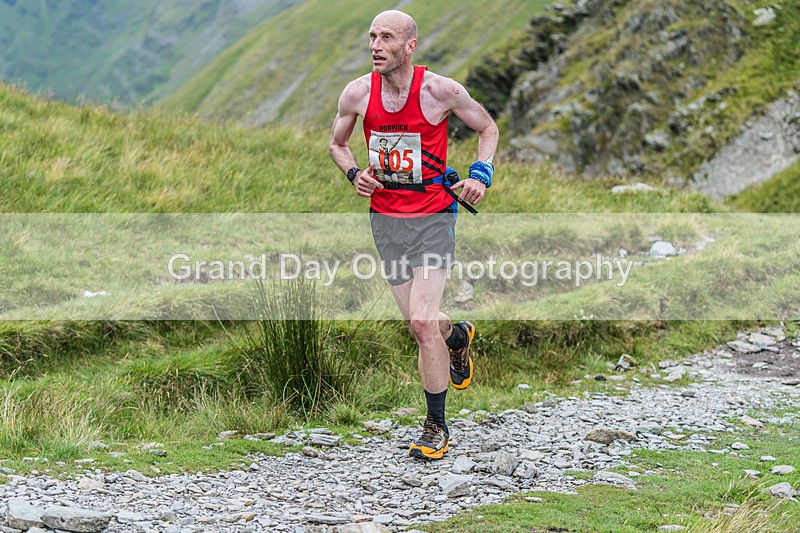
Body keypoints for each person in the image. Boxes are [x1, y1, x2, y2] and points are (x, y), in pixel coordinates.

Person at [328, 9, 498, 460]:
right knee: (422, 325)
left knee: (422, 323)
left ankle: (436, 426)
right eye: (371, 37)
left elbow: (487, 127)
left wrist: (481, 174)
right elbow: (337, 143)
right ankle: (457, 338)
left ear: (410, 46)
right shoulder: (358, 93)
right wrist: (353, 174)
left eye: (387, 37)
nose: (375, 46)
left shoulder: (441, 90)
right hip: (386, 220)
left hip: (433, 216)